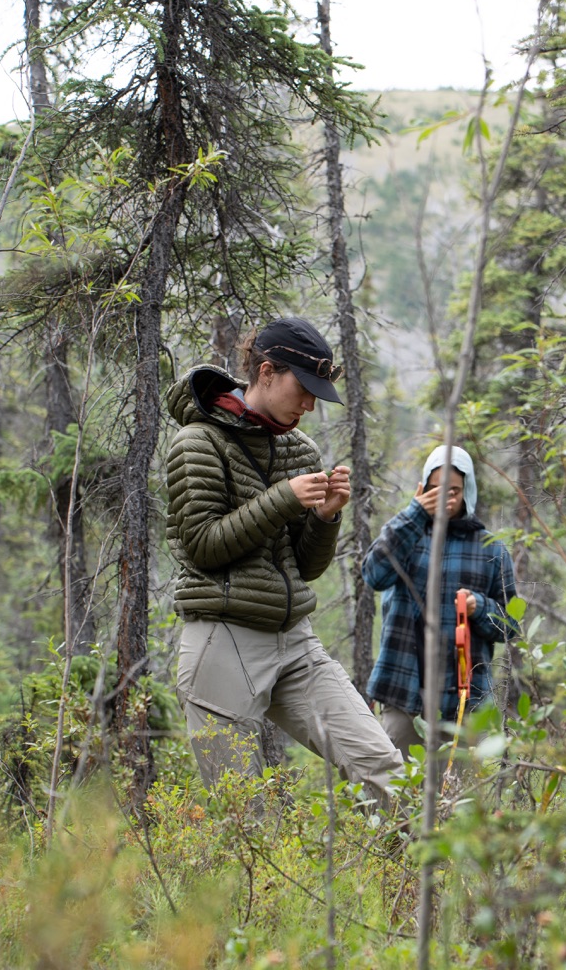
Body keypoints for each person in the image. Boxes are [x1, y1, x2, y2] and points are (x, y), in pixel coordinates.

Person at [164, 316, 403, 803]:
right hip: (221, 640)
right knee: (244, 810)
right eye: (305, 389)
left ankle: (415, 857)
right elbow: (203, 546)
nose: (310, 405)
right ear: (267, 372)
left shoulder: (300, 450)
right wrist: (284, 499)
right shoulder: (197, 443)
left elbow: (305, 567)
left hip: (295, 640)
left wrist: (325, 517)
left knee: (385, 769)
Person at [362, 444, 519, 754]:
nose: (445, 497)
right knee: (396, 782)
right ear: (423, 488)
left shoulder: (491, 549)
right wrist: (414, 513)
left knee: (462, 785)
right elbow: (373, 575)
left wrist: (479, 607)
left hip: (465, 701)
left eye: (454, 490)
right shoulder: (406, 533)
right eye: (435, 489)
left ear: (467, 490)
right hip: (402, 691)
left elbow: (510, 625)